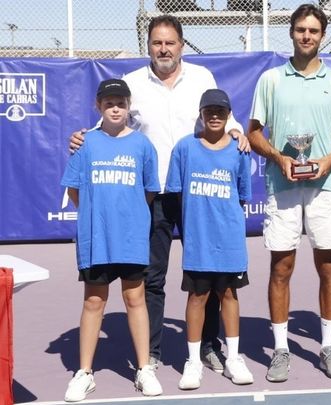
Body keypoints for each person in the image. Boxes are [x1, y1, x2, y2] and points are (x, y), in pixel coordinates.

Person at [69, 14, 250, 373]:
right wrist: (83, 135)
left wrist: (238, 131)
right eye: (156, 43)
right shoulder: (134, 83)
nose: (163, 49)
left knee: (208, 273)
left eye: (170, 42)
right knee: (152, 275)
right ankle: (150, 351)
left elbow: (220, 118)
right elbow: (113, 121)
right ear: (148, 46)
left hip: (197, 193)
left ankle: (209, 347)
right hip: (152, 195)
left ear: (181, 45)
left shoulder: (202, 78)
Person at [247, 3, 331, 382]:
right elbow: (254, 132)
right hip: (283, 186)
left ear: (322, 35)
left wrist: (326, 161)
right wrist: (279, 158)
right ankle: (280, 350)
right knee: (282, 267)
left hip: (326, 187)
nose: (306, 36)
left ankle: (328, 346)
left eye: (313, 31)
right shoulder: (271, 80)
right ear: (291, 33)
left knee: (328, 266)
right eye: (300, 30)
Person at [61, 79, 163, 402]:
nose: (115, 108)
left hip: (131, 238)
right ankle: (85, 373)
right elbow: (75, 189)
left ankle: (144, 368)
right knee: (94, 302)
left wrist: (128, 215)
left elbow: (148, 192)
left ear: (129, 105)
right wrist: (96, 214)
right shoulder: (85, 144)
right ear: (98, 107)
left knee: (136, 298)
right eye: (109, 103)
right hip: (97, 239)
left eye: (120, 102)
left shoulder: (143, 146)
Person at [166, 89, 254, 389]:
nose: (215, 116)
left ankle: (233, 358)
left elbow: (242, 196)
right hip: (198, 241)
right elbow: (176, 192)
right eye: (209, 111)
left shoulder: (240, 150)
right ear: (201, 114)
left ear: (229, 115)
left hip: (229, 240)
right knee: (197, 297)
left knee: (229, 295)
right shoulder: (184, 148)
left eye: (220, 111)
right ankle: (193, 361)